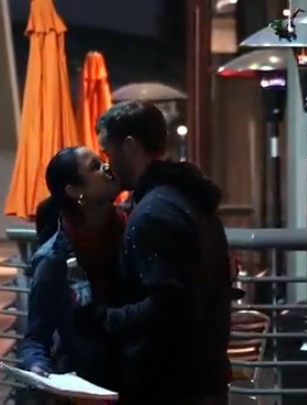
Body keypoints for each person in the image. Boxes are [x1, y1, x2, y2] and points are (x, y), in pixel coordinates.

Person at [76, 100, 232, 405]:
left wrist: (103, 317)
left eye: (108, 152)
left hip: (169, 385)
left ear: (130, 146)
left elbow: (166, 307)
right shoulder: (191, 199)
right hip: (204, 376)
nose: (108, 165)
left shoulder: (152, 214)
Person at [17, 146, 125, 394]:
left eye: (102, 161)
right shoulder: (54, 259)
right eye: (95, 167)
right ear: (75, 191)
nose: (107, 168)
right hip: (88, 386)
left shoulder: (132, 230)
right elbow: (35, 339)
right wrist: (37, 367)